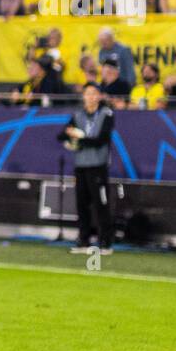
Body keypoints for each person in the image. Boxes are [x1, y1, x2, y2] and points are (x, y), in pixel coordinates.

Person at [60, 83, 115, 255]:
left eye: (94, 93)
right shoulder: (77, 115)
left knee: (101, 204)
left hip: (98, 166)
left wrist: (81, 139)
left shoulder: (107, 114)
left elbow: (101, 139)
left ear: (99, 96)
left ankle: (105, 242)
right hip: (81, 166)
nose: (90, 97)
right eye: (87, 93)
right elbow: (62, 134)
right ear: (83, 96)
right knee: (81, 204)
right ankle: (83, 240)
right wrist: (71, 136)